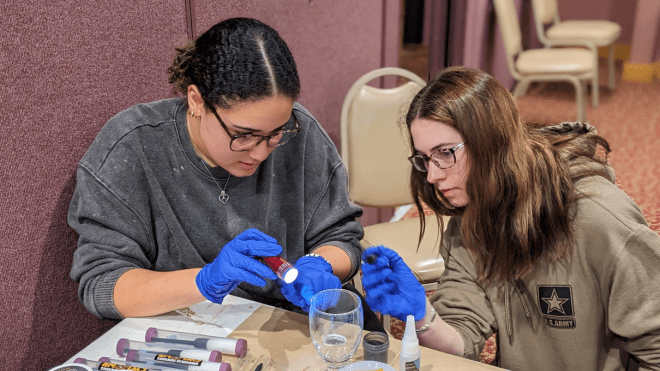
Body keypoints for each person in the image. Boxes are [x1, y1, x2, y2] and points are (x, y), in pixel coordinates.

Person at [68, 17, 382, 330]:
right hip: (196, 334)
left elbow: (342, 237)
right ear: (197, 101)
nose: (261, 152)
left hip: (298, 324)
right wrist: (203, 282)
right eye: (243, 135)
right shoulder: (133, 147)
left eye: (276, 133)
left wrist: (322, 263)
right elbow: (102, 284)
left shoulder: (303, 134)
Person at [361, 66, 660, 370]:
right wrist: (423, 315)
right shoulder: (471, 218)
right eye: (425, 159)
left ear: (492, 143)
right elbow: (463, 339)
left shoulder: (600, 220)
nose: (434, 175)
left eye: (446, 152)